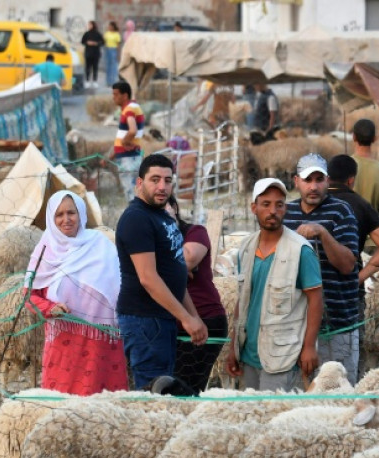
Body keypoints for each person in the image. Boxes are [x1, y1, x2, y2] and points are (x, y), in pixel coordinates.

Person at [115, 154, 207, 389]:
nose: (162, 186)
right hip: (145, 320)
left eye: (167, 180)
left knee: (164, 387)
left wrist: (194, 316)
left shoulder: (160, 216)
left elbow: (174, 274)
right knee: (153, 393)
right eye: (154, 180)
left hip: (161, 318)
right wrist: (186, 318)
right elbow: (148, 278)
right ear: (139, 183)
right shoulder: (137, 218)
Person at [26, 191, 128, 395]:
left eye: (71, 212)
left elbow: (122, 284)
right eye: (59, 214)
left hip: (101, 344)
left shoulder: (100, 244)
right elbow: (29, 295)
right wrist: (50, 308)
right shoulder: (45, 250)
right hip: (63, 344)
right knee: (63, 404)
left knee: (103, 405)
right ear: (51, 218)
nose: (66, 219)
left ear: (81, 214)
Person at [226, 178, 322, 390]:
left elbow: (315, 299)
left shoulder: (300, 250)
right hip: (249, 352)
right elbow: (243, 299)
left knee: (276, 417)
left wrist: (308, 347)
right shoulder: (246, 247)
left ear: (285, 208)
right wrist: (233, 346)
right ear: (254, 208)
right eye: (266, 204)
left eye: (279, 205)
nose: (273, 211)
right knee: (251, 416)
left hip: (283, 355)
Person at [283, 154, 361, 385]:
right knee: (299, 398)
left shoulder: (342, 211)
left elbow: (348, 265)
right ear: (296, 181)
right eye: (308, 180)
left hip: (338, 324)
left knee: (338, 396)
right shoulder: (286, 213)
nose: (314, 187)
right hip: (295, 326)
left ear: (327, 181)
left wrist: (323, 234)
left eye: (319, 180)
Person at [164, 196, 227, 395]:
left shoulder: (195, 232)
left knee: (183, 388)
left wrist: (163, 265)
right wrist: (175, 268)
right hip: (173, 325)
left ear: (174, 207)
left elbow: (189, 258)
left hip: (204, 319)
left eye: (163, 206)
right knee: (172, 387)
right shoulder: (152, 240)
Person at [327, 154, 379, 283]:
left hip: (315, 285)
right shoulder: (361, 205)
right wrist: (359, 278)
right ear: (351, 180)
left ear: (327, 177)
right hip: (349, 289)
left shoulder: (315, 201)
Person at [351, 118, 379, 216]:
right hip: (372, 229)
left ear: (354, 137)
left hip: (349, 229)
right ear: (375, 138)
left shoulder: (344, 165)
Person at [111, 81, 144, 199]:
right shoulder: (134, 107)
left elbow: (132, 130)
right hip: (132, 156)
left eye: (116, 94)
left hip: (128, 158)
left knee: (130, 192)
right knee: (136, 191)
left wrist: (124, 142)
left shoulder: (128, 110)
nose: (113, 98)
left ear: (124, 96)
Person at [80, 21, 103, 90]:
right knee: (87, 67)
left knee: (95, 67)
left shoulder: (98, 34)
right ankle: (87, 81)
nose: (89, 26)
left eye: (90, 24)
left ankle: (95, 81)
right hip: (88, 53)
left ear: (93, 25)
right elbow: (82, 41)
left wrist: (96, 43)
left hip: (96, 53)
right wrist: (87, 43)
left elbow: (102, 42)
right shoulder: (86, 34)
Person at [103, 22, 121, 86]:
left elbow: (118, 44)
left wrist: (118, 54)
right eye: (109, 26)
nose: (109, 27)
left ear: (113, 27)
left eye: (110, 26)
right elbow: (104, 41)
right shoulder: (106, 33)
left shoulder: (116, 34)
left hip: (113, 50)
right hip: (107, 49)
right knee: (108, 66)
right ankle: (108, 81)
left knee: (113, 66)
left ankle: (113, 81)